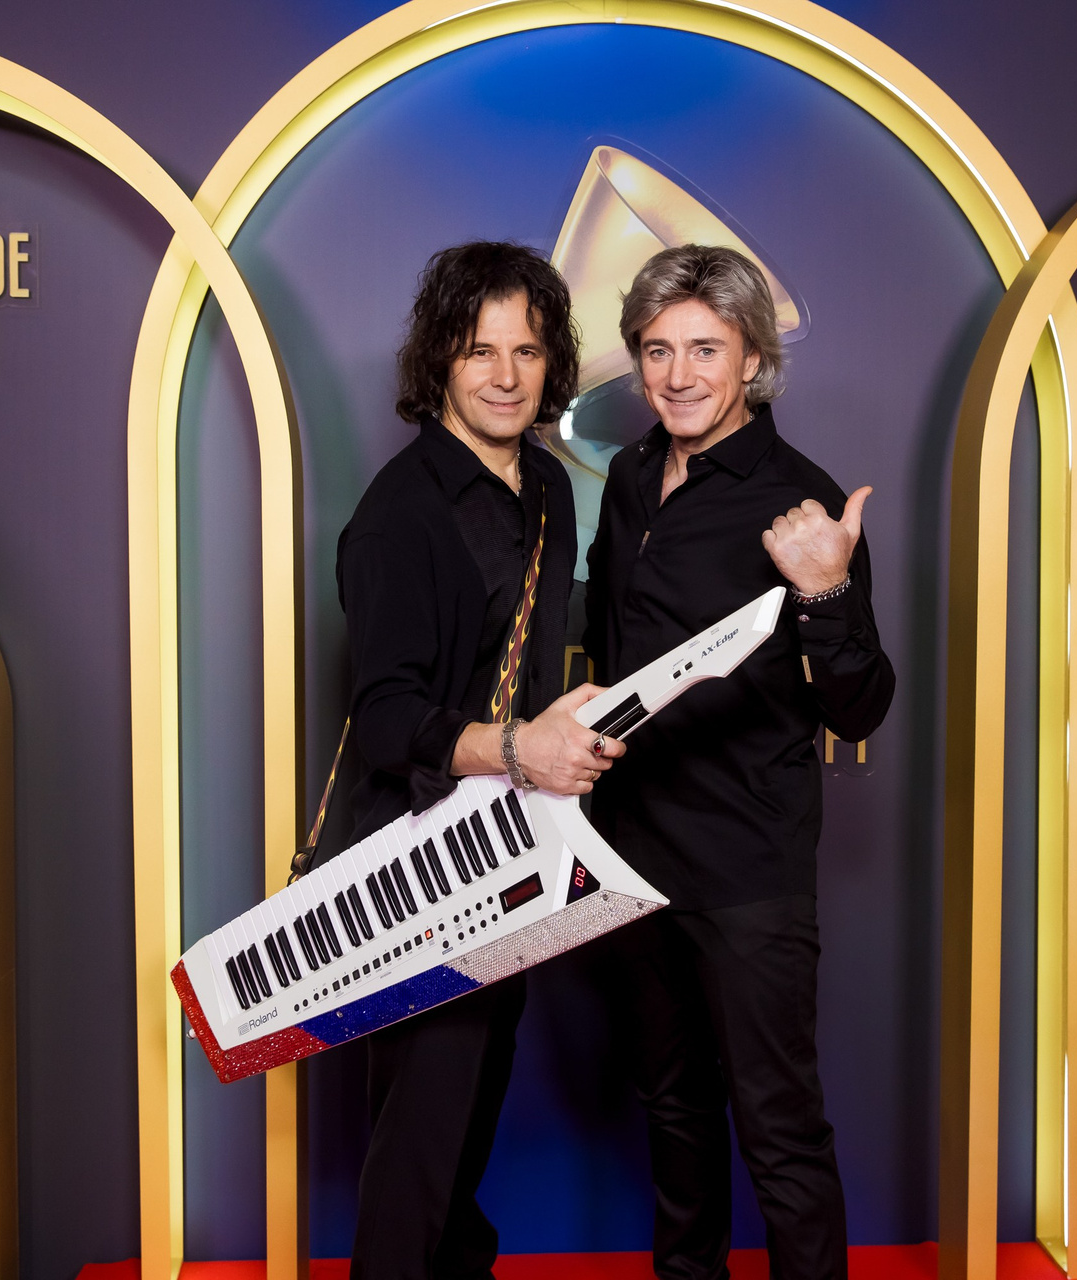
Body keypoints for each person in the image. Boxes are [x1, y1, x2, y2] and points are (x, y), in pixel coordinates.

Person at [584, 244, 896, 1280]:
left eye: (705, 350)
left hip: (747, 866)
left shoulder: (801, 507)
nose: (677, 375)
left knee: (779, 1127)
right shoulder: (629, 477)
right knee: (673, 1109)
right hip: (629, 858)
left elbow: (861, 702)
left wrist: (825, 592)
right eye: (657, 350)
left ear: (753, 359)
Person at [333, 240, 625, 1280]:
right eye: (479, 351)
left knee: (468, 1120)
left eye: (527, 351)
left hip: (508, 850)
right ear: (440, 363)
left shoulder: (544, 485)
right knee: (418, 1140)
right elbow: (386, 720)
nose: (505, 375)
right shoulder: (397, 516)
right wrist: (518, 747)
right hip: (417, 865)